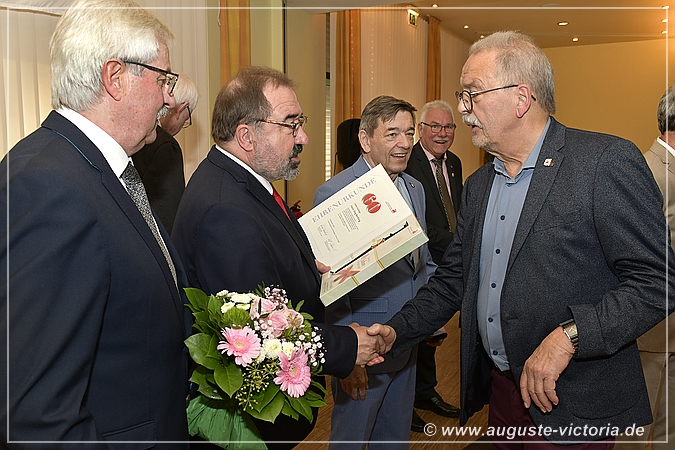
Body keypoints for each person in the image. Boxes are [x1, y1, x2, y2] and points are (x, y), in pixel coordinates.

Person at [370, 31, 675, 448]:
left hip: (571, 401)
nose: (464, 109)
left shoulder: (602, 163)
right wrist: (396, 331)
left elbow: (658, 282)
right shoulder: (479, 185)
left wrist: (570, 336)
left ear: (521, 98)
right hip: (501, 394)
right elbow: (453, 280)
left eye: (472, 93)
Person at [1, 0, 191, 447]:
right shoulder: (50, 186)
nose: (169, 97)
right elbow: (36, 415)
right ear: (115, 77)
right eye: (163, 78)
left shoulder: (96, 167)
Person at [171, 66, 387, 449]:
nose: (303, 137)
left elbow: (261, 260)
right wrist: (349, 346)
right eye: (291, 124)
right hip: (252, 423)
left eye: (300, 123)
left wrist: (304, 266)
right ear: (246, 136)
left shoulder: (241, 181)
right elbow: (258, 334)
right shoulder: (226, 210)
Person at [313, 95, 436, 449]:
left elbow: (421, 262)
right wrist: (346, 357)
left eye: (409, 133)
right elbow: (331, 288)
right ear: (365, 140)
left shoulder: (414, 188)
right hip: (364, 350)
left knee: (394, 440)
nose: (404, 143)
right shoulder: (336, 193)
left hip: (406, 342)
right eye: (392, 133)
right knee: (351, 441)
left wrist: (427, 320)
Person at [617, 84, 675, 450]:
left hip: (671, 327)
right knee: (636, 434)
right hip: (652, 328)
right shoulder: (648, 170)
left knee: (669, 429)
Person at [403, 100, 462, 431]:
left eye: (449, 127)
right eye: (435, 126)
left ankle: (425, 392)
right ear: (420, 130)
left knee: (431, 332)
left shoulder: (454, 162)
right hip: (419, 260)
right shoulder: (407, 162)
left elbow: (457, 208)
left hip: (448, 260)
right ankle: (405, 401)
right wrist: (458, 242)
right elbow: (415, 221)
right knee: (414, 330)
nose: (442, 133)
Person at [132, 75, 199, 234]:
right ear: (182, 109)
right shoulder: (166, 147)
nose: (182, 125)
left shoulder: (133, 135)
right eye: (186, 119)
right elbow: (169, 220)